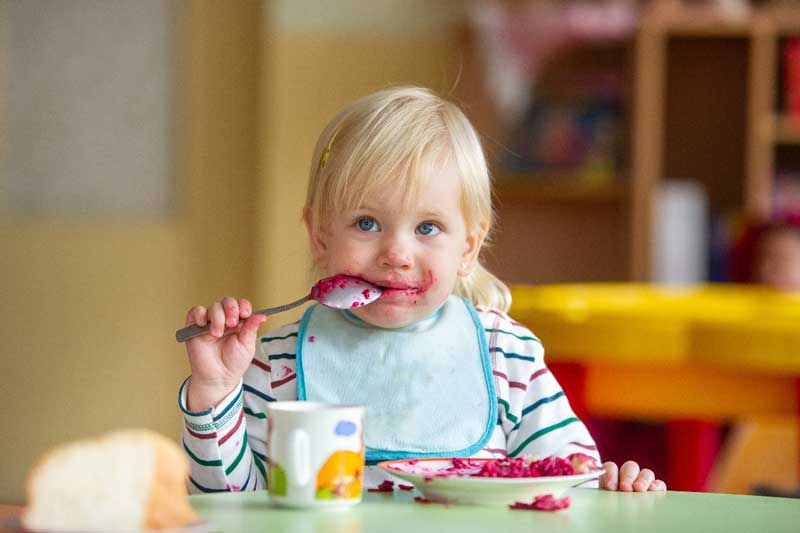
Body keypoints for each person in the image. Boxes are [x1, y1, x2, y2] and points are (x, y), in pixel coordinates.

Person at [178, 86, 665, 494]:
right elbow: (231, 508)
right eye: (367, 223)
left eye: (428, 228)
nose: (397, 253)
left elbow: (569, 482)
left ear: (468, 248)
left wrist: (610, 490)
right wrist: (216, 391)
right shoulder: (274, 365)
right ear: (320, 238)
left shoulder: (504, 356)